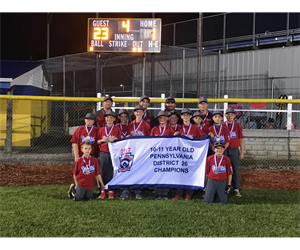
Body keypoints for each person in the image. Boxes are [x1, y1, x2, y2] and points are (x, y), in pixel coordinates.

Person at [120, 104, 151, 200]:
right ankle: (127, 189)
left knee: (139, 170)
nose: (138, 113)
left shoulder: (146, 125)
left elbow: (149, 139)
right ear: (134, 113)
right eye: (137, 111)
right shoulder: (131, 124)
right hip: (132, 151)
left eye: (140, 111)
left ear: (143, 113)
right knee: (129, 169)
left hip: (141, 151)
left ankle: (138, 191)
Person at [173, 108, 204, 201]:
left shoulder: (195, 128)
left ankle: (188, 194)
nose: (185, 117)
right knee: (180, 174)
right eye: (183, 115)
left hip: (191, 156)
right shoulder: (178, 128)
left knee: (190, 174)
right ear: (181, 117)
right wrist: (174, 136)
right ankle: (178, 194)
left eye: (187, 115)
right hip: (181, 156)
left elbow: (201, 141)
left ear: (191, 116)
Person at [150, 110, 175, 200]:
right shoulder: (154, 129)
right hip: (157, 155)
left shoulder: (170, 130)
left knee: (166, 173)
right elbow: (149, 142)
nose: (162, 119)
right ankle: (157, 193)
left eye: (164, 117)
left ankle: (164, 193)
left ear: (167, 119)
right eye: (160, 118)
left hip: (166, 155)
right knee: (157, 173)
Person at [97, 110, 122, 199]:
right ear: (105, 119)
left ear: (114, 119)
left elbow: (121, 141)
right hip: (104, 153)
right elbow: (98, 141)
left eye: (111, 117)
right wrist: (104, 140)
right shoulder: (101, 130)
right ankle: (103, 190)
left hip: (113, 153)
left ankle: (111, 190)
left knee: (111, 172)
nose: (109, 119)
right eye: (107, 117)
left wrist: (115, 139)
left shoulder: (117, 129)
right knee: (103, 172)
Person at [223, 107, 244, 197]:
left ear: (235, 116)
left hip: (234, 149)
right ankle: (225, 186)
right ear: (225, 115)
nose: (230, 116)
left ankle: (236, 188)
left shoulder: (238, 126)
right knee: (224, 168)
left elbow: (241, 139)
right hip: (224, 150)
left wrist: (242, 152)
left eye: (231, 114)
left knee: (234, 169)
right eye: (228, 114)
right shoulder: (222, 125)